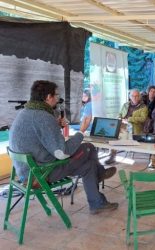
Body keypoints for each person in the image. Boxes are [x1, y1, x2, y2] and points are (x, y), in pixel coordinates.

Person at [9, 80, 118, 214]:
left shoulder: (25, 112)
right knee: (88, 147)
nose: (57, 98)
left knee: (89, 165)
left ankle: (97, 201)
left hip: (26, 172)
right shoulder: (43, 116)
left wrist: (56, 126)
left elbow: (40, 134)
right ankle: (99, 175)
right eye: (56, 95)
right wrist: (81, 131)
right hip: (42, 173)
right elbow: (62, 153)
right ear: (48, 97)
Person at [105, 89, 148, 164]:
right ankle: (112, 155)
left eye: (136, 96)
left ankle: (113, 155)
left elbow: (143, 119)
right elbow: (120, 114)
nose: (134, 97)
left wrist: (129, 119)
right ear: (130, 96)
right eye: (132, 96)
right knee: (112, 131)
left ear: (139, 97)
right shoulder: (126, 105)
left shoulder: (143, 107)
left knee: (118, 132)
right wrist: (119, 118)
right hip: (123, 124)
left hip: (134, 126)